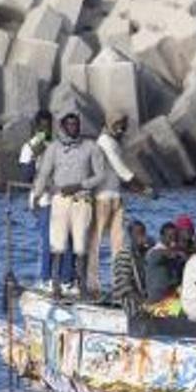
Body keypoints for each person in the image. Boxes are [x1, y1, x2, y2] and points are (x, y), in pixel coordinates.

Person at [31, 110, 107, 301]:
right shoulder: (54, 148)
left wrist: (80, 185)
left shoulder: (91, 147)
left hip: (82, 200)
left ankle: (80, 286)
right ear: (63, 127)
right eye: (70, 124)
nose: (74, 127)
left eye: (76, 124)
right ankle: (56, 285)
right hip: (59, 201)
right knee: (58, 244)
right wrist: (36, 196)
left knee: (80, 246)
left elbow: (101, 175)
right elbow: (44, 174)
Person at [88, 113, 152, 294]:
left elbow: (120, 175)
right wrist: (143, 189)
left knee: (118, 244)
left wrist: (138, 189)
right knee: (96, 243)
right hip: (101, 198)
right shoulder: (105, 141)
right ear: (108, 124)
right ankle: (93, 286)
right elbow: (121, 169)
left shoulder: (114, 142)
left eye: (124, 126)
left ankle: (119, 285)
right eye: (117, 125)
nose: (121, 129)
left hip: (115, 197)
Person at [19, 110, 73, 288]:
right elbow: (26, 176)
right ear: (36, 127)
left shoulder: (57, 143)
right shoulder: (29, 147)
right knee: (48, 240)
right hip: (42, 200)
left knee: (67, 240)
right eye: (42, 126)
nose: (46, 129)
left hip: (61, 197)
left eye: (48, 125)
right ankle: (46, 279)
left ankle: (67, 280)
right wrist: (37, 154)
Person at [111, 220, 150, 317]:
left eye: (143, 233)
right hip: (129, 302)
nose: (142, 237)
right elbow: (124, 286)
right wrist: (143, 302)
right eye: (138, 234)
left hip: (144, 298)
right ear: (131, 236)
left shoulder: (145, 254)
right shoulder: (124, 255)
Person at [144, 222, 184, 303]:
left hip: (171, 296)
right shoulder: (155, 252)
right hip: (158, 301)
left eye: (175, 237)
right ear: (162, 236)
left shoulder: (174, 251)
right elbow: (161, 253)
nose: (173, 239)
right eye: (170, 236)